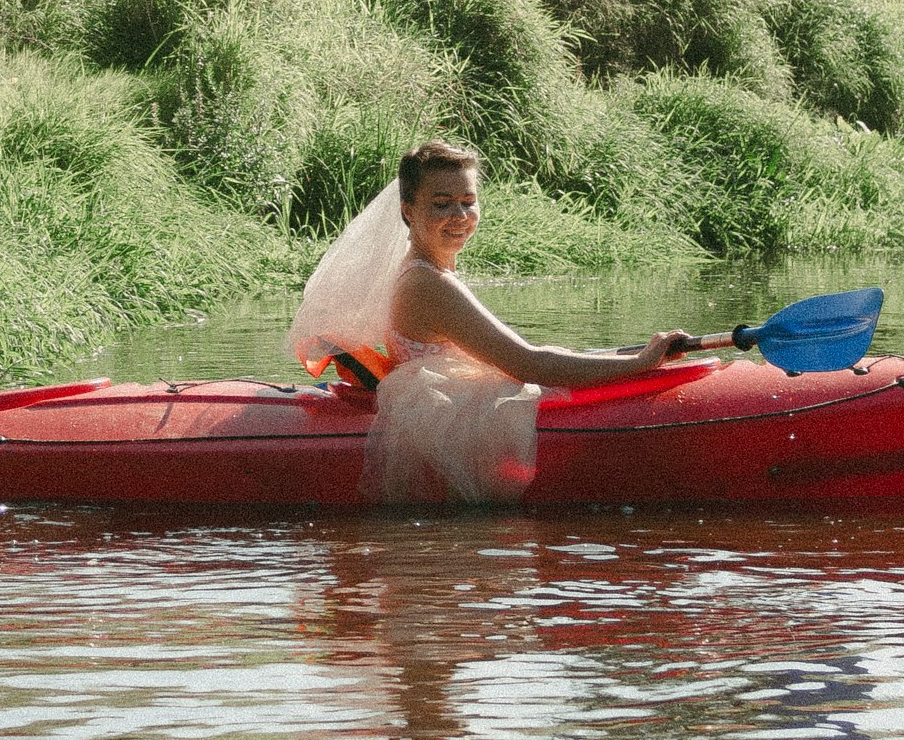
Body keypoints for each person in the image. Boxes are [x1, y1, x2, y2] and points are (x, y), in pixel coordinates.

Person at [288, 140, 690, 506]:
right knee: (546, 377)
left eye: (468, 201)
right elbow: (530, 363)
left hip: (447, 391)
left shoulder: (423, 270)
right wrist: (640, 364)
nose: (460, 215)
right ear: (409, 211)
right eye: (442, 204)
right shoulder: (429, 284)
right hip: (445, 411)